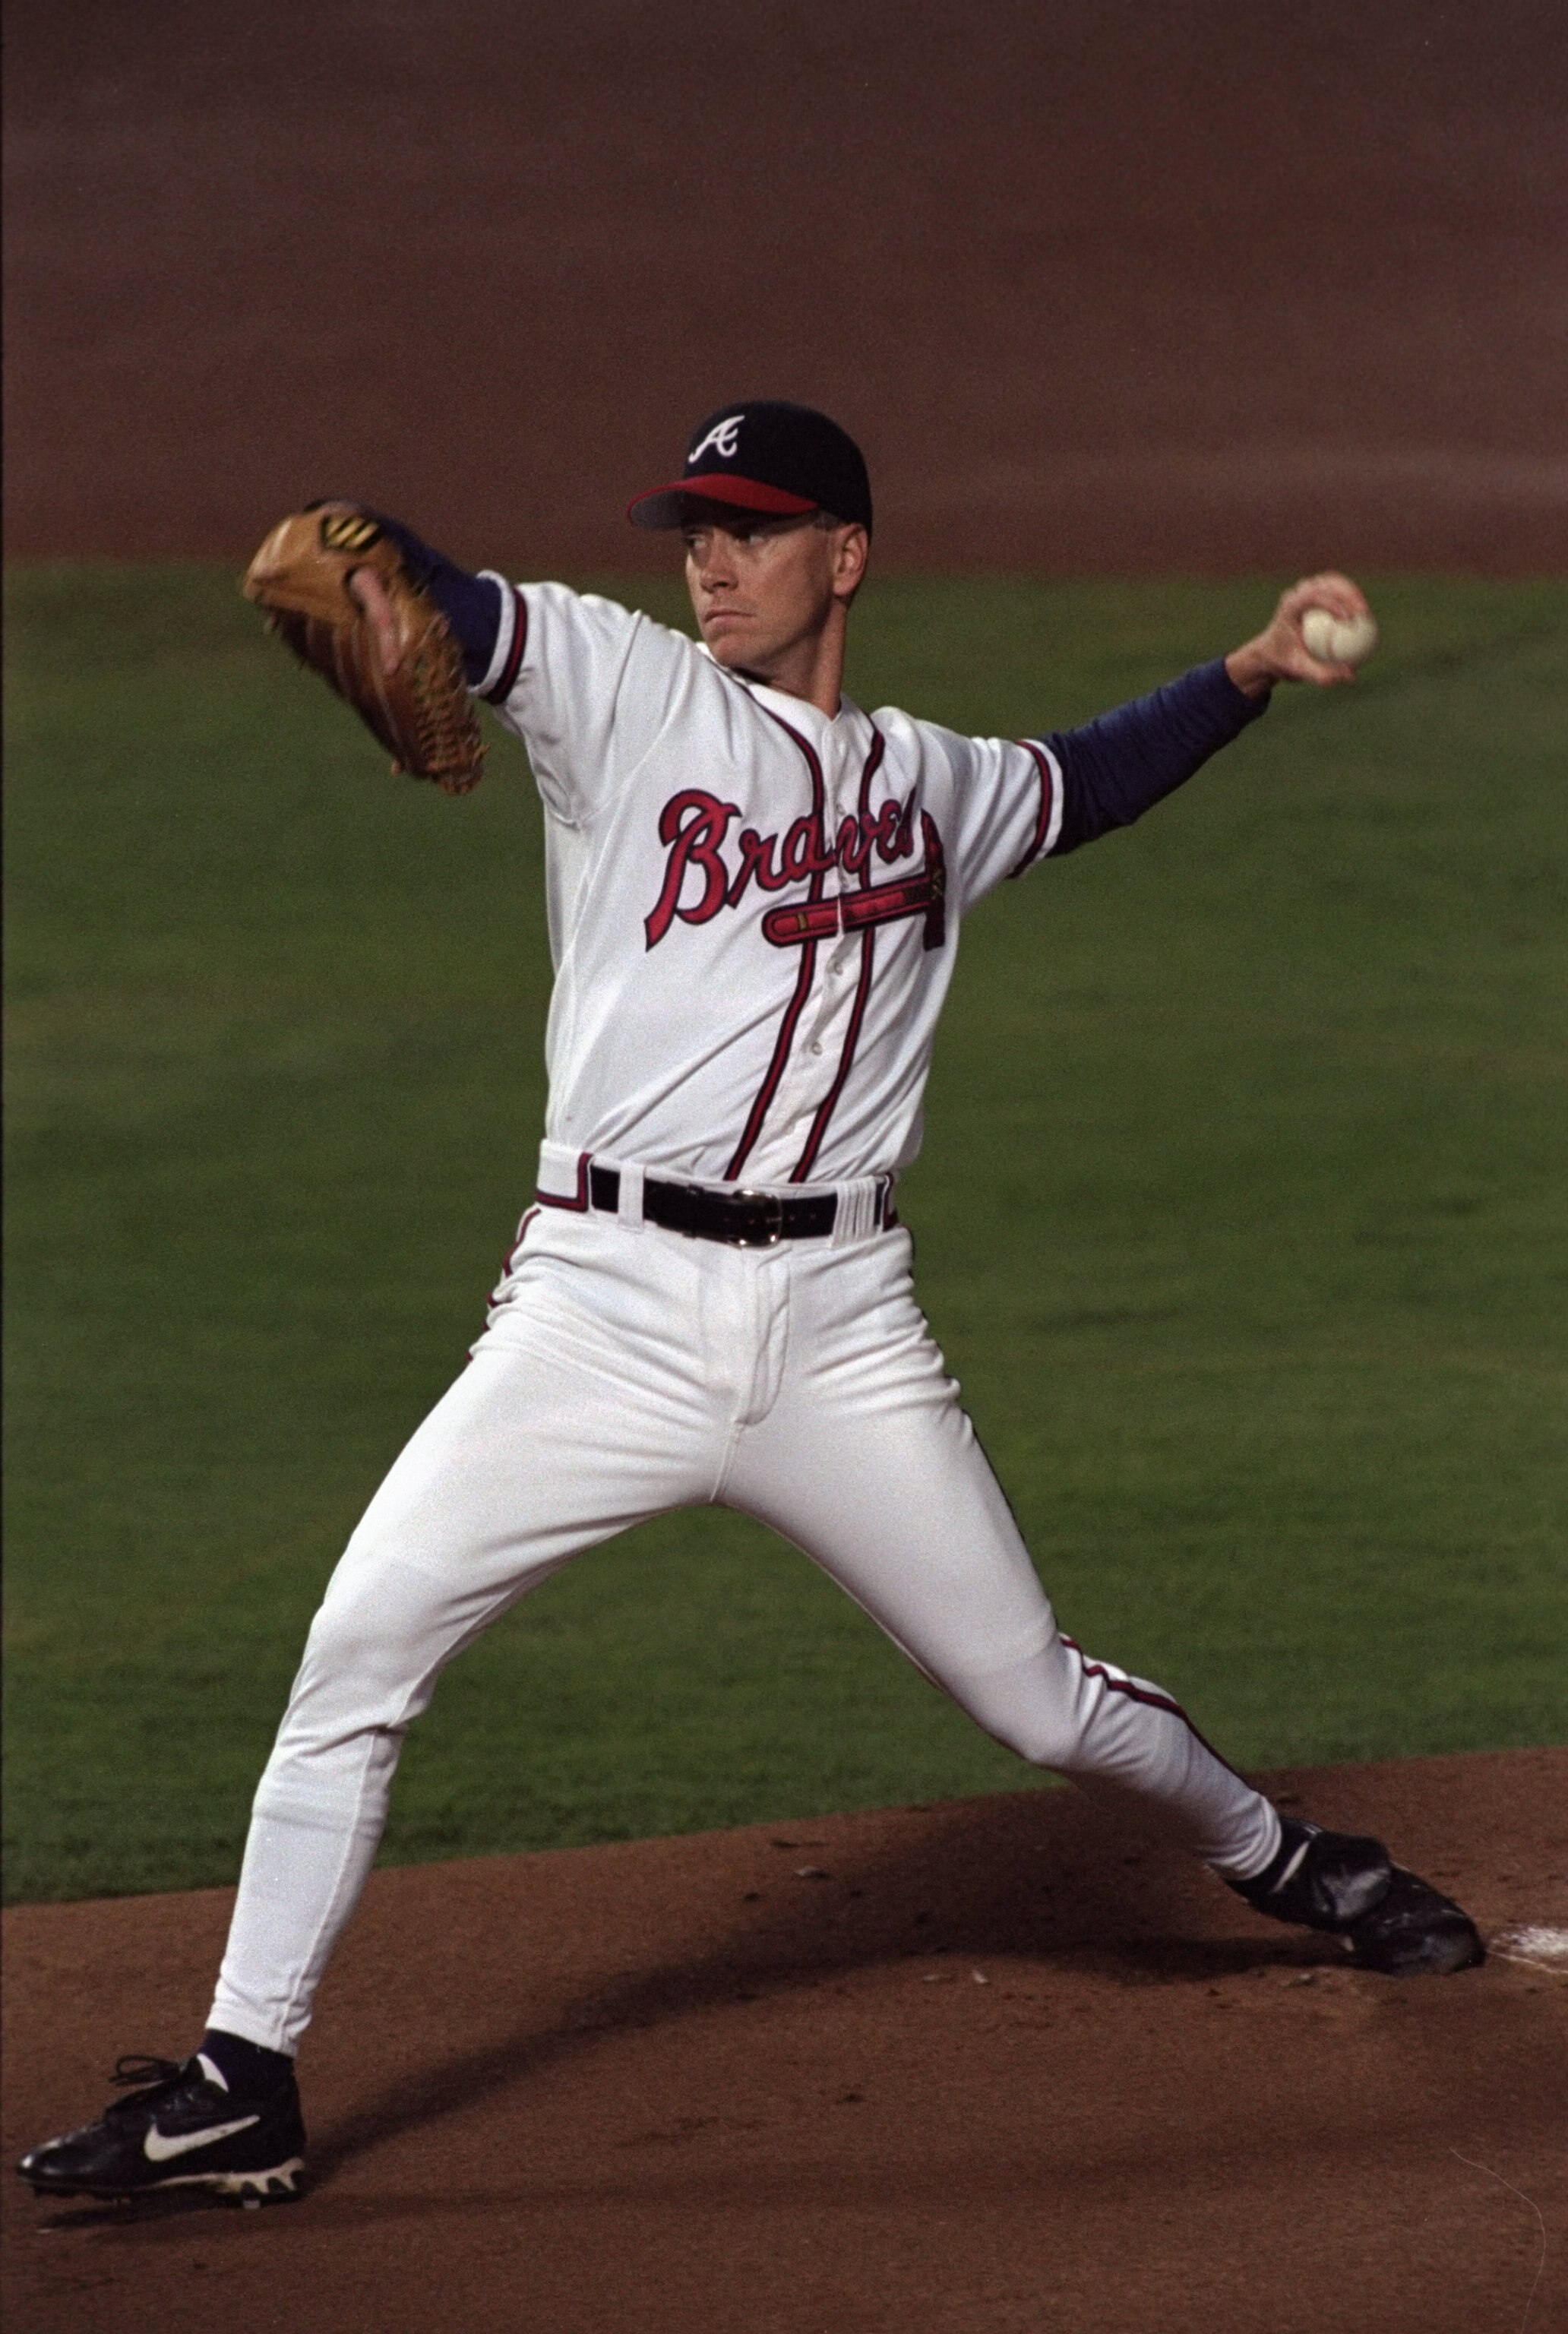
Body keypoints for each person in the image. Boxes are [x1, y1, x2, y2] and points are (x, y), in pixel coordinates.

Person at [18, 402, 1483, 2209]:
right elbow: (428, 590)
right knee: (358, 1649)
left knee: (1031, 1700)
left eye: (753, 528)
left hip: (841, 1331)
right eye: (692, 529)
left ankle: (1288, 1858)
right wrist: (366, 537)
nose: (708, 559)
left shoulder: (928, 782)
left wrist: (1249, 668)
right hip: (597, 1313)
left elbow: (1081, 778)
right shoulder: (622, 690)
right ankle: (244, 2080)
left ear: (845, 557)